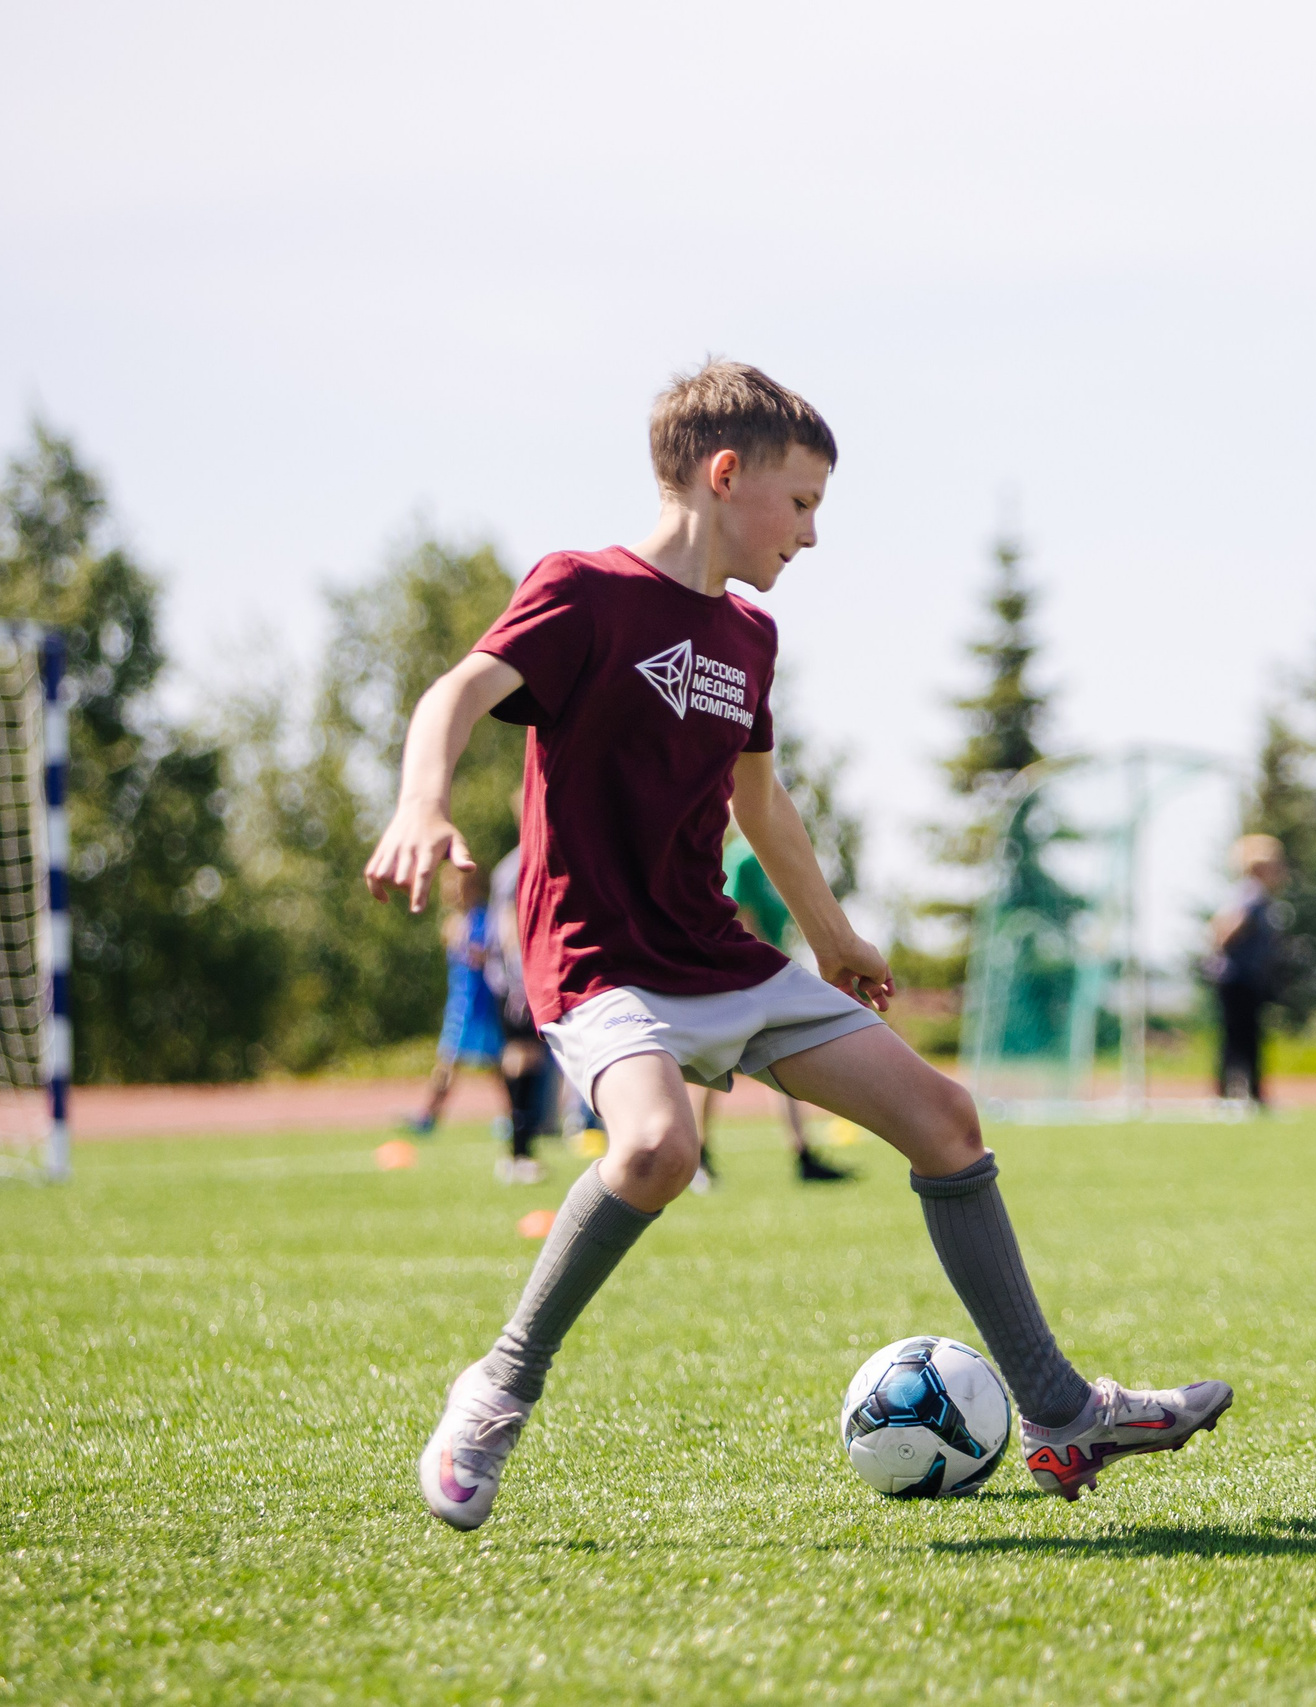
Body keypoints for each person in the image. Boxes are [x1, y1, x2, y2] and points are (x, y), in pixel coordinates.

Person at [365, 361, 1230, 1530]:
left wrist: (831, 935)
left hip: (719, 956)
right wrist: (422, 803)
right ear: (726, 478)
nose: (815, 536)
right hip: (597, 959)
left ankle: (1062, 1415)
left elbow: (758, 806)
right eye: (805, 502)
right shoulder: (582, 590)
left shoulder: (748, 636)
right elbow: (454, 695)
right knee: (659, 1150)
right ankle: (498, 1386)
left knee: (946, 1120)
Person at [690, 830, 856, 1186]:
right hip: (737, 974)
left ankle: (803, 1155)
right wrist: (760, 965)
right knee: (712, 1064)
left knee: (783, 1059)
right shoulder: (742, 857)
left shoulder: (778, 850)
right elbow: (738, 917)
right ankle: (698, 1156)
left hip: (770, 973)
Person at [403, 863, 505, 1137]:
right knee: (450, 1061)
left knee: (494, 1063)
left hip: (481, 1002)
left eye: (455, 887)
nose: (450, 893)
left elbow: (494, 956)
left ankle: (512, 1115)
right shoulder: (454, 921)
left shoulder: (485, 918)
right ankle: (429, 1115)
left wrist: (478, 953)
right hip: (459, 1003)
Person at [485, 827, 553, 1185]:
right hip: (518, 980)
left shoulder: (521, 862)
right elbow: (509, 926)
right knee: (522, 1057)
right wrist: (522, 979)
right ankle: (519, 1152)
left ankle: (522, 1151)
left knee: (528, 1057)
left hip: (522, 978)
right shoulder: (517, 866)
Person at [1205, 834, 1285, 1106]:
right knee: (1240, 1036)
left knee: (1241, 1035)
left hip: (1241, 976)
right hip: (1238, 976)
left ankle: (1239, 1092)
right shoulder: (1252, 893)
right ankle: (1238, 1093)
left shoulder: (1248, 892)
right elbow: (1227, 927)